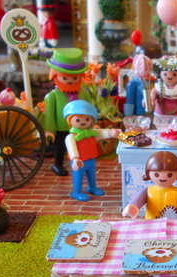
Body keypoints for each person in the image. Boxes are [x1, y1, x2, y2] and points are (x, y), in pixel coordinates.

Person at [122, 151, 177, 225]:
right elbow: (137, 201)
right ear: (148, 173)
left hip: (175, 224)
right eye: (156, 174)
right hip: (152, 224)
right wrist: (133, 207)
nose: (163, 178)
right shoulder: (147, 191)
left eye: (170, 175)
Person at [63, 100, 120, 201]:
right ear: (69, 120)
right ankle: (76, 192)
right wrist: (75, 159)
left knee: (91, 175)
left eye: (87, 119)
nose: (83, 122)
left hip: (91, 159)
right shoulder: (71, 136)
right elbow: (71, 148)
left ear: (91, 120)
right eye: (78, 120)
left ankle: (92, 187)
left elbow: (101, 133)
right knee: (78, 177)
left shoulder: (91, 132)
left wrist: (110, 132)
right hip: (79, 161)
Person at [44, 48, 87, 176]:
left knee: (80, 146)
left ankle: (80, 163)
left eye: (75, 77)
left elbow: (89, 109)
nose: (70, 80)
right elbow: (50, 116)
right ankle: (57, 164)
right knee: (60, 147)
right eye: (65, 77)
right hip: (61, 128)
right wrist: (50, 130)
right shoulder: (53, 96)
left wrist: (92, 123)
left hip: (80, 127)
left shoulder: (83, 93)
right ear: (55, 75)